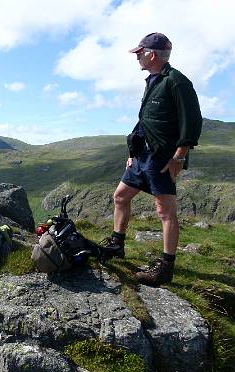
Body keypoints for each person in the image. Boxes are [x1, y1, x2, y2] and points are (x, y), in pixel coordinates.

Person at [101, 32, 202, 286]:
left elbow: (192, 123)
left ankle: (166, 268)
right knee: (120, 197)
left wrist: (178, 157)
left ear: (151, 54)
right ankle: (116, 244)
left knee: (165, 211)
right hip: (141, 156)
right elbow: (145, 120)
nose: (137, 57)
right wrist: (132, 152)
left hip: (161, 158)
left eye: (139, 53)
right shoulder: (152, 81)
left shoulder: (177, 82)